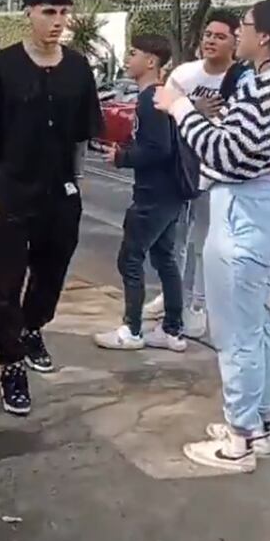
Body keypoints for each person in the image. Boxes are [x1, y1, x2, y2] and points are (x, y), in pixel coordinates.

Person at [154, 0, 270, 473]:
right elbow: (246, 144)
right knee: (257, 326)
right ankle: (258, 426)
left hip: (242, 211)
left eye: (246, 25)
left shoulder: (259, 86)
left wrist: (180, 108)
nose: (239, 33)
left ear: (266, 37)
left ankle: (238, 442)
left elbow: (227, 153)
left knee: (235, 334)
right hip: (261, 206)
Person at [0, 0, 102, 416]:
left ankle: (32, 328)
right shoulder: (3, 66)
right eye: (48, 12)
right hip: (8, 191)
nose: (57, 22)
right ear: (29, 13)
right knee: (4, 282)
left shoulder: (78, 69)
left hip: (59, 193)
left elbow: (82, 136)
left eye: (63, 12)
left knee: (51, 273)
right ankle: (11, 363)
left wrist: (76, 183)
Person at [141, 9, 242, 340]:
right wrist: (191, 110)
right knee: (175, 239)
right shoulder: (184, 74)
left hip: (217, 173)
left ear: (235, 41)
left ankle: (199, 306)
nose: (211, 41)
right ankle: (172, 297)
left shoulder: (241, 80)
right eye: (208, 34)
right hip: (181, 168)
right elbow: (160, 111)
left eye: (220, 36)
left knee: (206, 242)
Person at [93, 35, 187, 353]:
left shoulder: (151, 99)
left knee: (130, 259)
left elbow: (158, 148)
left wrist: (122, 157)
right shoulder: (163, 96)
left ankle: (132, 330)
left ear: (151, 61)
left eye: (133, 53)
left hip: (153, 194)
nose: (127, 58)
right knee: (164, 258)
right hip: (170, 192)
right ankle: (172, 330)